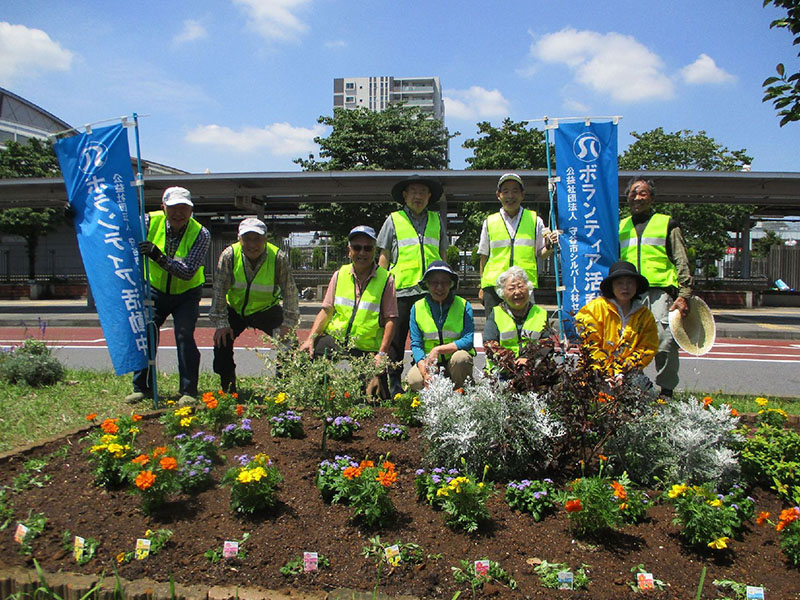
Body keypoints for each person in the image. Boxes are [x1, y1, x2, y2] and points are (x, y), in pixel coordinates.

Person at [126, 186, 210, 405]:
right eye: (173, 207)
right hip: (154, 290)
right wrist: (78, 213)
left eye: (184, 208)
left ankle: (189, 390)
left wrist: (158, 256)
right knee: (147, 335)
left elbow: (187, 271)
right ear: (163, 207)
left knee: (184, 336)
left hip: (187, 294)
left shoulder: (201, 233)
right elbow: (116, 228)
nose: (179, 213)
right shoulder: (146, 222)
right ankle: (141, 387)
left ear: (191, 210)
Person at [299, 226, 397, 397]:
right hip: (336, 339)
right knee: (308, 357)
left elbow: (391, 320)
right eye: (357, 247)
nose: (362, 252)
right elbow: (326, 310)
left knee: (373, 398)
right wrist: (310, 339)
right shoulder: (339, 274)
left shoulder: (386, 279)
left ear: (374, 251)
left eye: (368, 248)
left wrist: (381, 353)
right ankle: (318, 395)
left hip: (367, 346)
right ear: (349, 250)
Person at [619, 177, 693, 397]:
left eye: (643, 193)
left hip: (660, 292)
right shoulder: (620, 226)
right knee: (630, 344)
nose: (637, 197)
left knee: (664, 343)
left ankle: (666, 393)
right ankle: (636, 390)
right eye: (633, 193)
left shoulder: (667, 223)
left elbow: (681, 260)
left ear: (651, 197)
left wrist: (685, 294)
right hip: (630, 294)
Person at [209, 217, 299, 393]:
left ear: (265, 239)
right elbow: (219, 290)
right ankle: (228, 388)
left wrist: (288, 324)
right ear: (239, 238)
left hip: (267, 310)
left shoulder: (278, 257)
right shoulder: (229, 255)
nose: (252, 244)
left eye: (257, 239)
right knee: (221, 344)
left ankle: (284, 389)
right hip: (235, 309)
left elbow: (290, 292)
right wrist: (221, 323)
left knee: (289, 344)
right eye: (247, 239)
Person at [377, 175, 447, 397]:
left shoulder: (437, 220)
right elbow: (384, 255)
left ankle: (431, 385)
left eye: (422, 192)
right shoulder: (393, 219)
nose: (418, 196)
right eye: (413, 191)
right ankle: (394, 387)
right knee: (396, 342)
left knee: (430, 337)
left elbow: (443, 253)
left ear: (429, 197)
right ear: (405, 196)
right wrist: (381, 287)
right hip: (401, 290)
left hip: (430, 291)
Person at [478, 172, 560, 315]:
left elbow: (541, 253)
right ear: (499, 195)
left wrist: (549, 246)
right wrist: (482, 286)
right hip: (494, 286)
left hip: (523, 285)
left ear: (523, 194)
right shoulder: (490, 221)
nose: (510, 196)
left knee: (526, 329)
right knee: (494, 329)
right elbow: (484, 256)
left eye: (515, 191)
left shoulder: (535, 220)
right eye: (506, 191)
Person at [574, 261, 658, 375]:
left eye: (630, 283)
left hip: (628, 372)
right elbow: (590, 345)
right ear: (611, 286)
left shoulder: (644, 315)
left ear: (637, 286)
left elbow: (647, 348)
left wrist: (623, 370)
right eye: (619, 283)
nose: (625, 287)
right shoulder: (594, 309)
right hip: (595, 370)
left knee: (647, 392)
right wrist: (608, 372)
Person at [407, 260, 475, 391]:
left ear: (451, 284)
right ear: (426, 284)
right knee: (414, 380)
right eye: (434, 282)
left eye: (444, 282)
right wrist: (425, 372)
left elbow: (468, 340)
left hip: (454, 362)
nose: (439, 287)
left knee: (462, 358)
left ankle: (461, 393)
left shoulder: (464, 305)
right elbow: (416, 344)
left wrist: (438, 350)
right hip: (430, 363)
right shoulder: (417, 308)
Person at [483, 266, 548, 373]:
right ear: (502, 293)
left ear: (529, 288)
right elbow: (489, 345)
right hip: (502, 373)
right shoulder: (496, 313)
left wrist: (529, 360)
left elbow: (546, 344)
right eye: (511, 288)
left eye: (521, 287)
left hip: (531, 372)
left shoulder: (541, 313)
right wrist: (514, 361)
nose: (517, 292)